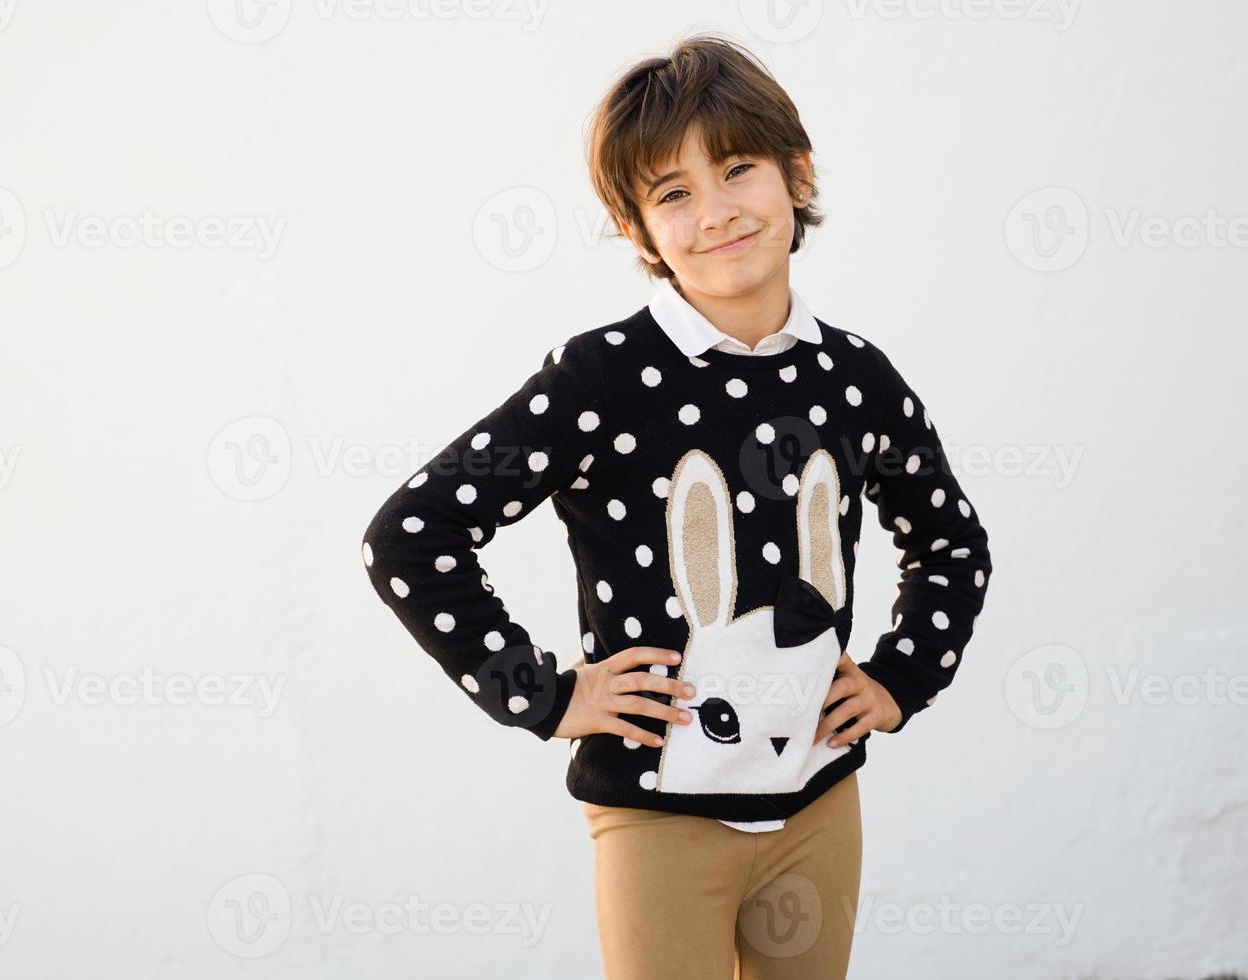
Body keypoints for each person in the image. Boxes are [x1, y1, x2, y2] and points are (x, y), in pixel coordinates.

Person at [360, 32, 993, 979]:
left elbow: (952, 542)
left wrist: (905, 676)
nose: (717, 211)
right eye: (673, 193)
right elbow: (411, 535)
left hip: (819, 808)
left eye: (738, 169)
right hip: (656, 822)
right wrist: (548, 694)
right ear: (637, 231)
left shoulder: (856, 377)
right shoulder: (601, 378)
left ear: (798, 175)